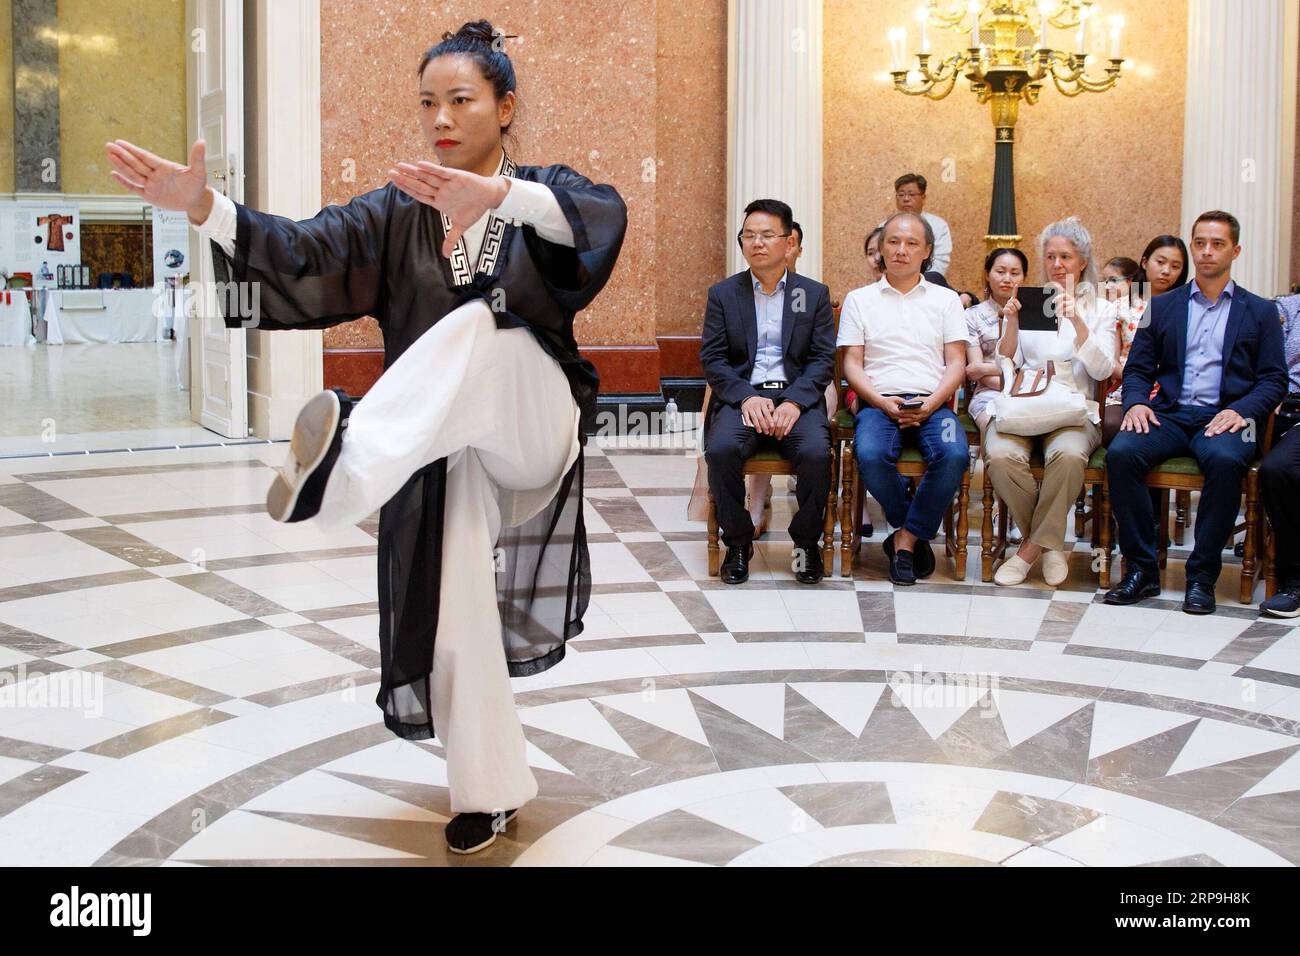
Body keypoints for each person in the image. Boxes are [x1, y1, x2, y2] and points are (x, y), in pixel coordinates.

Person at [106, 21, 627, 854]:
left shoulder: (545, 191)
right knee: (453, 603)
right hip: (439, 448)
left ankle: (343, 474)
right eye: (427, 103)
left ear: (506, 106)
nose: (441, 119)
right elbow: (303, 250)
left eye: (461, 100)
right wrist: (205, 207)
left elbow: (592, 225)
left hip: (536, 425)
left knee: (476, 332)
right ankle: (488, 790)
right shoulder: (397, 210)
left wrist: (499, 199)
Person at [1104, 211, 1287, 615]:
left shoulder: (1259, 311)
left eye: (1217, 244)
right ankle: (1142, 569)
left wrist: (1242, 411)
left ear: (1235, 251)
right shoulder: (1163, 306)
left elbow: (1274, 380)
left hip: (1227, 418)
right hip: (1168, 413)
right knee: (1121, 453)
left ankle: (1201, 577)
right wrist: (1135, 402)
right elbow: (1138, 368)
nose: (1206, 252)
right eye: (1200, 242)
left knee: (1224, 461)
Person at [701, 199, 835, 585]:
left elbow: (822, 359)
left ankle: (806, 544)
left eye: (766, 235)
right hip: (745, 397)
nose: (756, 243)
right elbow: (713, 358)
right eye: (749, 236)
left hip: (796, 398)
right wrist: (746, 397)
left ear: (789, 242)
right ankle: (739, 542)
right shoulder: (724, 294)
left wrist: (794, 401)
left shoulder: (813, 294)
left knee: (815, 453)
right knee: (722, 450)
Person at [839, 211, 969, 585]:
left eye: (912, 243)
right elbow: (851, 363)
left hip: (933, 404)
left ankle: (905, 539)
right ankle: (915, 531)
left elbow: (957, 363)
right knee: (870, 454)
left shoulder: (945, 301)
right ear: (881, 247)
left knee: (955, 454)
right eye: (893, 241)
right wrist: (880, 401)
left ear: (927, 251)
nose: (901, 250)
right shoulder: (859, 300)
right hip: (879, 403)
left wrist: (931, 404)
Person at [985, 219, 1117, 586]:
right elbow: (1005, 362)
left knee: (1070, 455)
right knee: (998, 454)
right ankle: (1049, 543)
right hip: (1026, 405)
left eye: (1065, 256)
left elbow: (1103, 368)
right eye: (1050, 256)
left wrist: (1076, 320)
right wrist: (1010, 323)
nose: (1057, 264)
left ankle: (1026, 550)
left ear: (1082, 260)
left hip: (1075, 411)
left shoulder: (1100, 309)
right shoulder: (1033, 301)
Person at [1258, 292, 1300, 617]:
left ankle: (1294, 580)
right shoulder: (1288, 307)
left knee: (1282, 467)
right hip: (1280, 407)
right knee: (1274, 469)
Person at [964, 247, 1028, 431]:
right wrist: (1012, 377)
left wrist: (983, 368)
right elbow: (974, 372)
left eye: (1015, 273)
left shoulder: (1033, 315)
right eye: (1000, 271)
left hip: (1030, 392)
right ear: (987, 274)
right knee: (995, 426)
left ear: (1024, 278)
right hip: (988, 393)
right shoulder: (972, 315)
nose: (1007, 278)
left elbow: (977, 369)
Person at [881, 173, 953, 277]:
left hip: (927, 284)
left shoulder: (938, 225)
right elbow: (879, 259)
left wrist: (917, 282)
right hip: (892, 282)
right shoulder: (885, 226)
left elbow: (940, 262)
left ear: (923, 198)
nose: (906, 199)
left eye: (911, 194)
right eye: (901, 195)